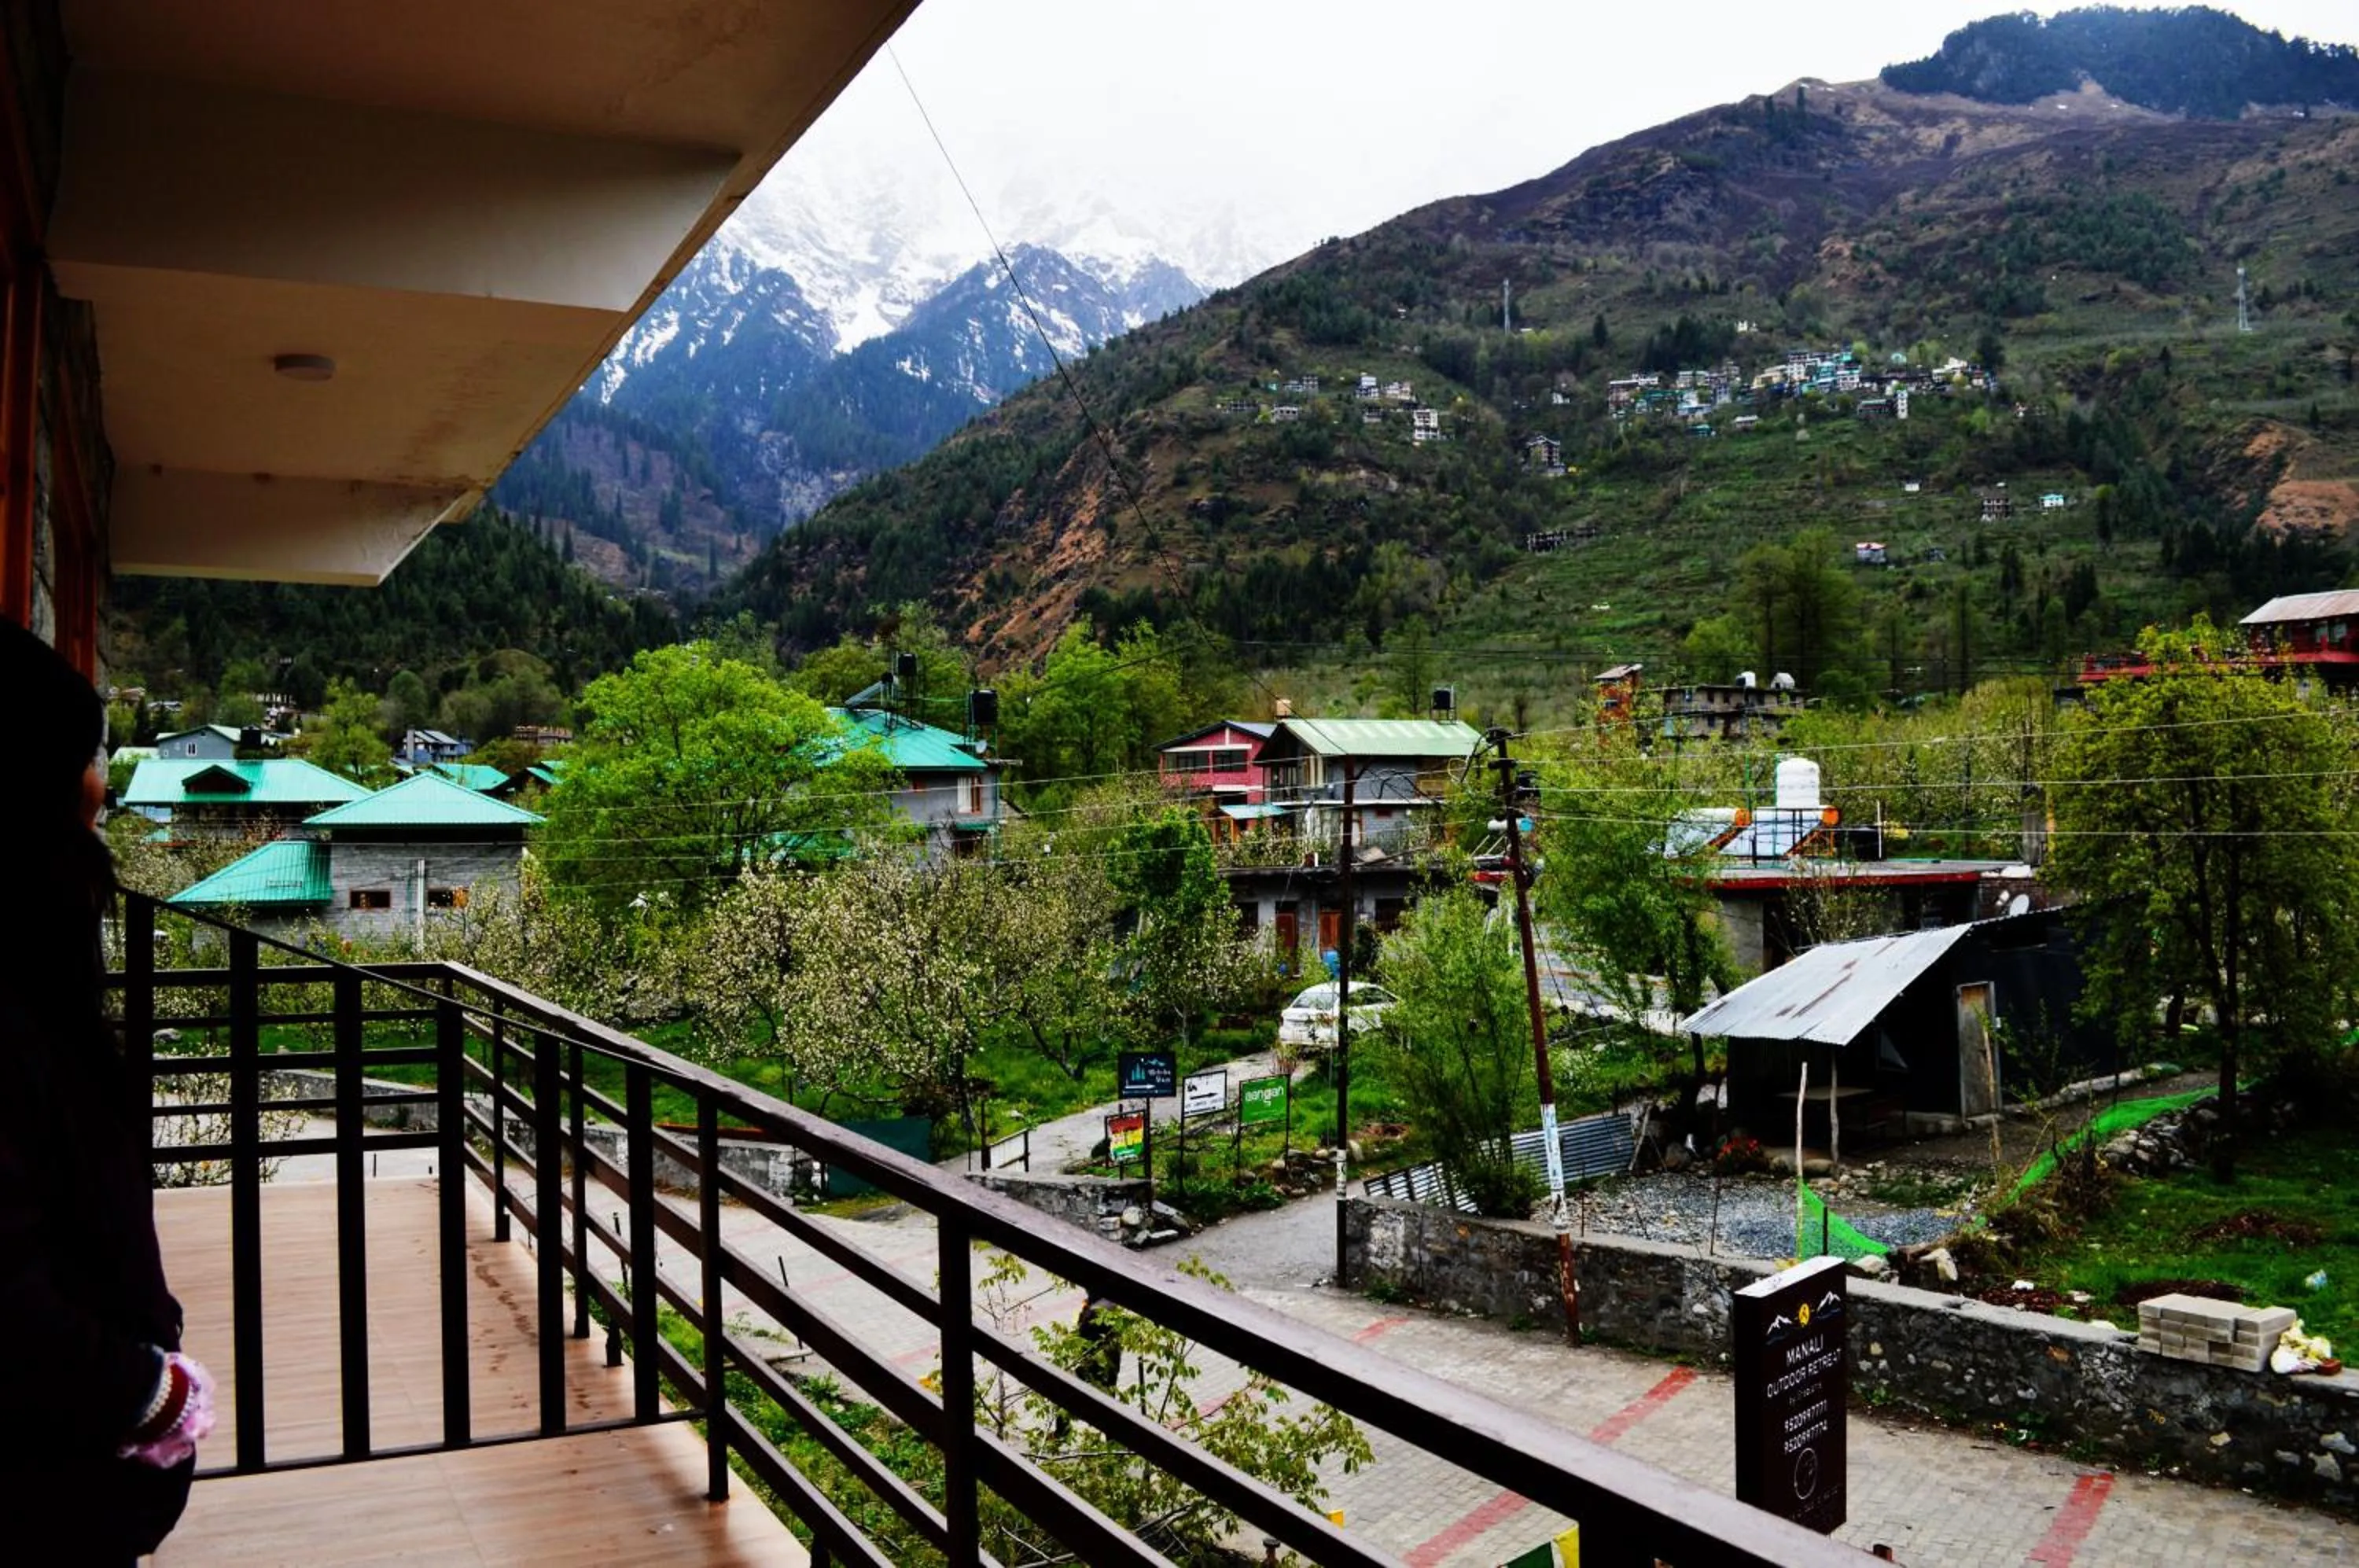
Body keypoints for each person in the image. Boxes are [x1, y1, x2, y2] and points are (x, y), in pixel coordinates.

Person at [0, 620, 213, 1562]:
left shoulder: (25, 966)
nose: (99, 788)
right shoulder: (4, 1005)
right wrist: (148, 1389)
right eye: (79, 761)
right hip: (37, 1491)